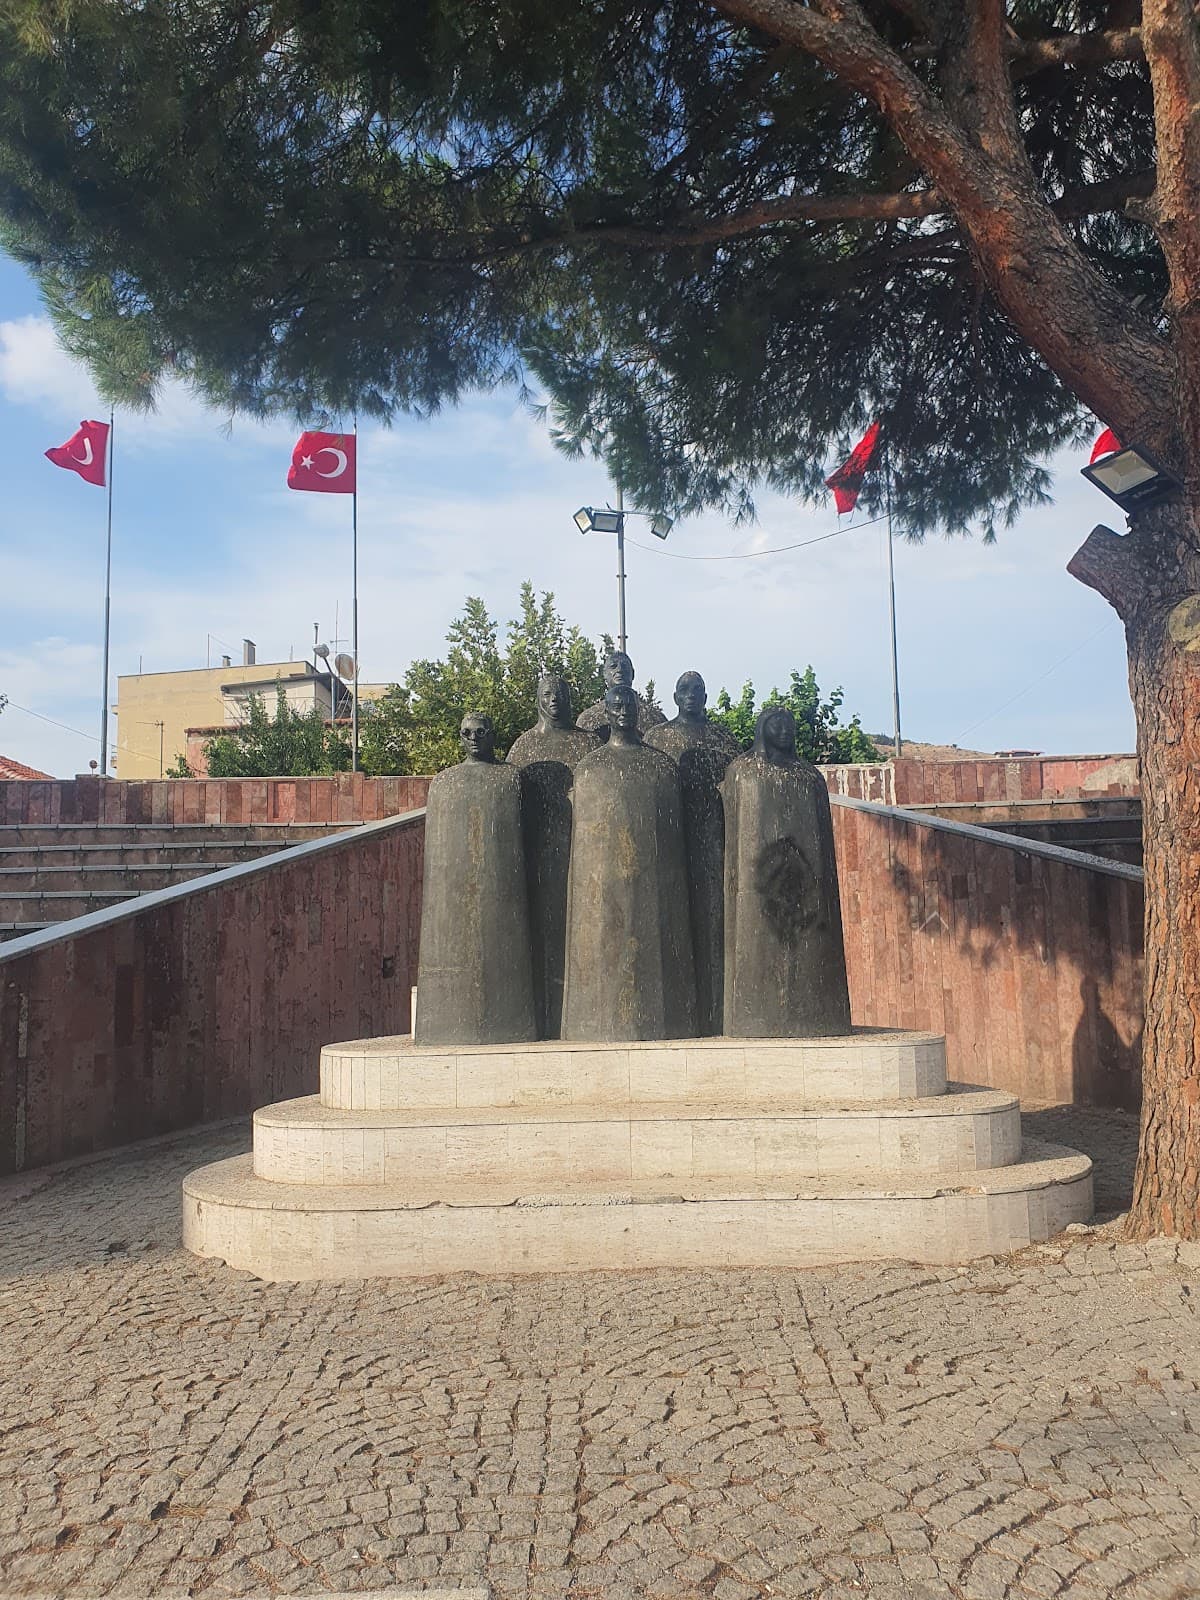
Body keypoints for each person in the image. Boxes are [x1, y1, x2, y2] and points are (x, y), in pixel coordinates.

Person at [562, 685, 697, 1041]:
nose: (623, 711)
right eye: (616, 706)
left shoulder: (661, 767)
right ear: (605, 713)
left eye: (629, 706)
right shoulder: (590, 769)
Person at [722, 706, 851, 1037]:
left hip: (804, 888)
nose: (784, 731)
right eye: (776, 725)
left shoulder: (810, 778)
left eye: (788, 725)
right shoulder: (743, 772)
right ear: (763, 729)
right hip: (760, 889)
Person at [414, 712, 537, 1045]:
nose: (473, 738)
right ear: (460, 736)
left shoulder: (511, 779)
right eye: (467, 732)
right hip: (455, 896)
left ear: (492, 735)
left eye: (480, 732)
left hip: (503, 892)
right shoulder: (444, 783)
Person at [646, 671, 740, 1035]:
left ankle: (716, 1014)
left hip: (713, 843)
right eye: (685, 690)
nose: (691, 696)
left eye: (697, 691)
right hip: (669, 845)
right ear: (674, 696)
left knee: (715, 928)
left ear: (706, 696)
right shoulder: (657, 739)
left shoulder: (723, 739)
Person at [506, 675, 599, 1037]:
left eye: (560, 694)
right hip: (540, 854)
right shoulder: (524, 747)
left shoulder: (589, 744)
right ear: (538, 700)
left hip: (586, 851)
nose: (555, 700)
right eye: (547, 694)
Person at [576, 648, 666, 741]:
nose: (619, 670)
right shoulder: (588, 719)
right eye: (613, 666)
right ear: (604, 674)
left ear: (633, 673)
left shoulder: (655, 718)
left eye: (624, 666)